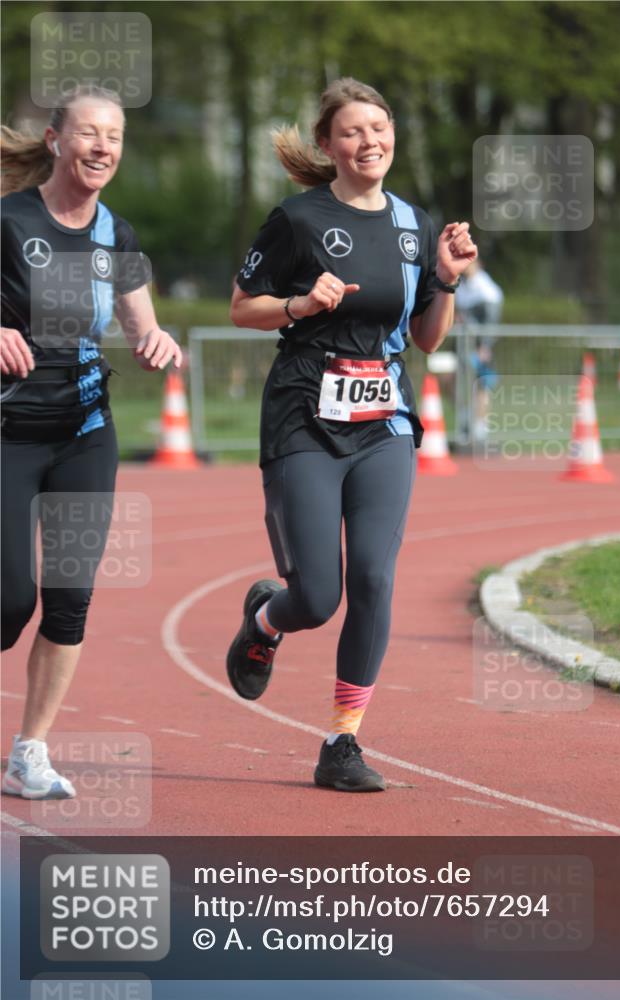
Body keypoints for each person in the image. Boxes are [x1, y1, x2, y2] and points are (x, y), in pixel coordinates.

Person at [226, 78, 477, 792]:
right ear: (329, 146)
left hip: (383, 423)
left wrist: (448, 281)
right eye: (352, 132)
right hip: (304, 416)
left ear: (392, 134)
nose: (369, 142)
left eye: (379, 127)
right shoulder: (298, 219)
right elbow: (243, 308)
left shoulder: (413, 224)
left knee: (372, 578)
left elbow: (426, 338)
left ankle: (342, 743)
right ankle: (267, 620)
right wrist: (301, 303)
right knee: (317, 597)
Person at [1, 85, 182, 799]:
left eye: (114, 135)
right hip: (8, 433)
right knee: (12, 599)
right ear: (55, 141)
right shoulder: (9, 221)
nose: (103, 146)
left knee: (70, 599)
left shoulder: (118, 236)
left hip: (83, 433)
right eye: (88, 133)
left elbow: (142, 325)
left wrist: (156, 341)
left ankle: (29, 753)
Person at [454, 258, 503, 441]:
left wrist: (486, 345)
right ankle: (467, 417)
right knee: (461, 381)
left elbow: (492, 319)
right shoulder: (463, 284)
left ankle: (481, 425)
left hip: (480, 346)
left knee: (482, 384)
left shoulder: (485, 287)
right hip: (465, 345)